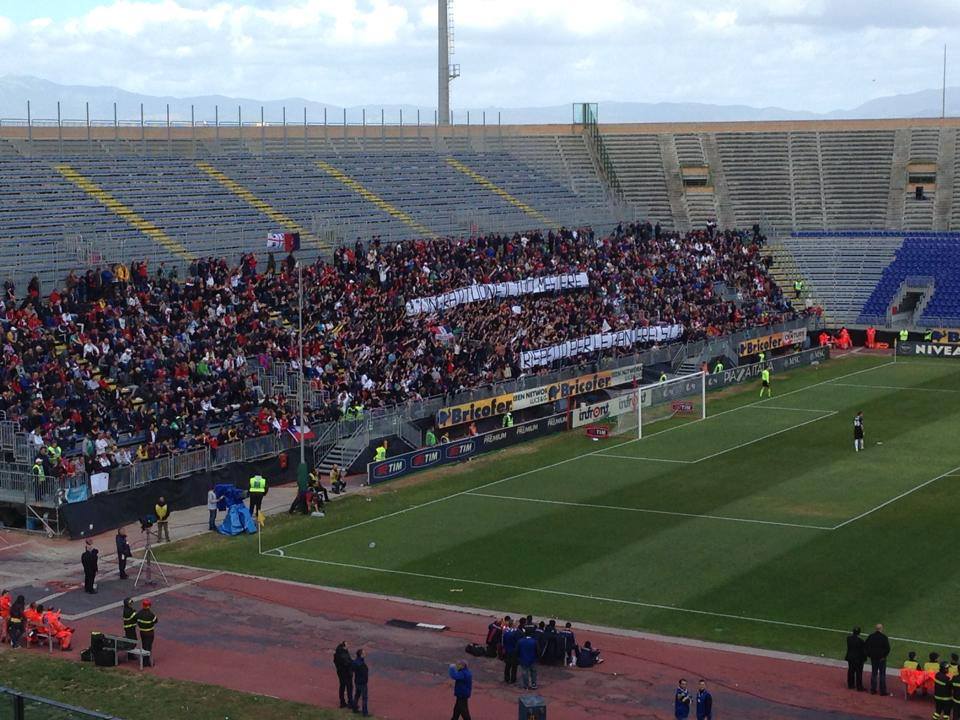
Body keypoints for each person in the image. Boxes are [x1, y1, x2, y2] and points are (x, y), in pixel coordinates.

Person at [864, 623, 890, 695]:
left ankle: (873, 690)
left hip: (874, 658)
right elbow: (887, 649)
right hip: (881, 659)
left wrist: (870, 655)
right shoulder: (884, 637)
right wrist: (884, 656)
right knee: (882, 674)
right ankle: (882, 691)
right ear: (881, 629)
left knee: (874, 673)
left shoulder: (871, 636)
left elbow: (865, 646)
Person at [136, 598, 158, 666]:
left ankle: (144, 660)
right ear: (149, 605)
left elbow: (137, 620)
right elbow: (156, 621)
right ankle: (146, 661)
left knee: (144, 645)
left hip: (142, 632)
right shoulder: (151, 614)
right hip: (149, 632)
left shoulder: (139, 613)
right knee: (148, 646)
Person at [334, 641, 355, 709]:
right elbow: (347, 663)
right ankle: (350, 703)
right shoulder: (344, 654)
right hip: (346, 673)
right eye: (347, 644)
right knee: (349, 687)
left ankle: (342, 702)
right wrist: (353, 663)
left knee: (342, 686)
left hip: (340, 672)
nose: (348, 645)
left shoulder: (338, 653)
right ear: (344, 646)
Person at [352, 648, 369, 716]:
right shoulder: (362, 664)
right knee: (364, 698)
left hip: (357, 681)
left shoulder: (355, 662)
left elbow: (353, 669)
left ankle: (354, 708)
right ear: (361, 655)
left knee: (357, 695)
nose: (365, 654)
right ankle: (365, 713)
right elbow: (365, 673)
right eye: (364, 653)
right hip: (362, 683)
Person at [501, 619, 519, 683]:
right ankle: (513, 679)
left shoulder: (506, 632)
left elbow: (503, 642)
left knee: (507, 666)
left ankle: (507, 678)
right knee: (514, 666)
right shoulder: (515, 633)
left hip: (508, 650)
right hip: (514, 651)